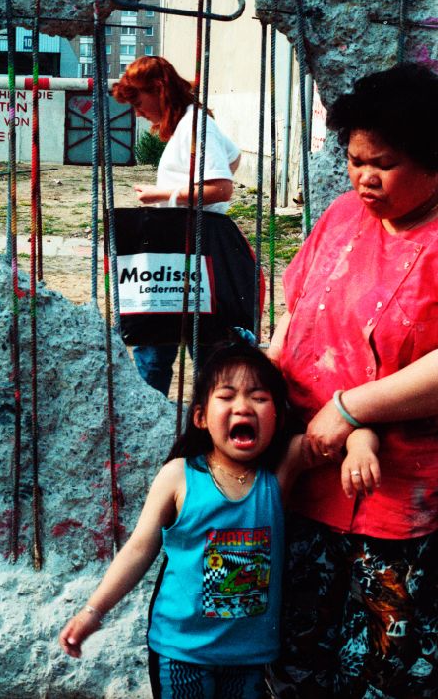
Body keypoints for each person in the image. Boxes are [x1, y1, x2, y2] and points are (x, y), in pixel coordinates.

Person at [58, 343, 377, 699]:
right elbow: (138, 548)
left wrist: (362, 447)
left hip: (250, 659)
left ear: (278, 417)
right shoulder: (178, 477)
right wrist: (94, 610)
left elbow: (341, 431)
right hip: (181, 653)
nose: (243, 406)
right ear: (201, 417)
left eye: (259, 397)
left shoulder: (279, 474)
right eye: (227, 396)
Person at [266, 62, 438, 698]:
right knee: (294, 653)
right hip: (302, 473)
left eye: (384, 163)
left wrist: (352, 408)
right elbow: (295, 314)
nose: (364, 177)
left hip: (394, 496)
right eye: (354, 158)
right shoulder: (342, 215)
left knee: (389, 667)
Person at [111, 56, 242, 394]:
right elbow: (232, 157)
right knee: (175, 339)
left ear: (159, 90)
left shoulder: (195, 125)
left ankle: (162, 425)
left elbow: (221, 187)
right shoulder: (192, 123)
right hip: (183, 246)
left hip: (189, 245)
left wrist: (165, 194)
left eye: (138, 101)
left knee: (162, 344)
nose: (137, 113)